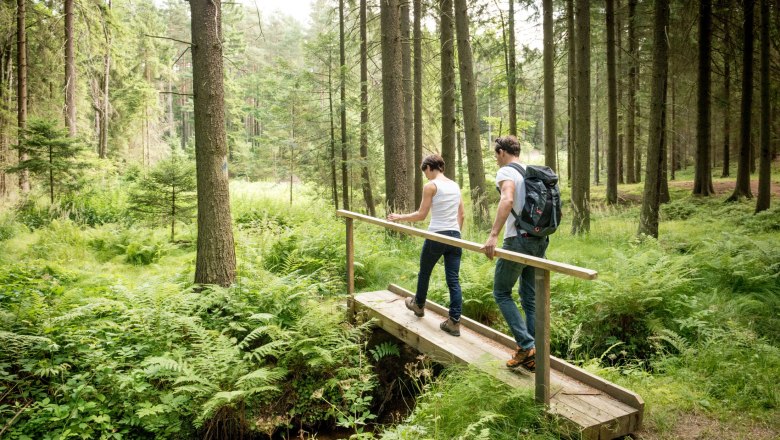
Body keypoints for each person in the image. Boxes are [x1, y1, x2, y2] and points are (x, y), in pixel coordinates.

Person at [481, 136, 549, 371]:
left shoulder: (506, 173)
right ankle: (533, 353)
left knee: (501, 292)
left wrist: (493, 235)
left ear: (501, 152)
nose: (495, 158)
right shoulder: (529, 172)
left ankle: (526, 345)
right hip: (539, 240)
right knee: (529, 298)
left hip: (517, 240)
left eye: (495, 153)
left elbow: (507, 199)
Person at [388, 154, 465, 336]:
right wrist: (455, 234)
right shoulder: (455, 186)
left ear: (430, 168)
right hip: (455, 236)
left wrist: (400, 217)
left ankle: (419, 305)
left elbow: (421, 215)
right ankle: (454, 322)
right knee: (453, 280)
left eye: (426, 172)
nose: (426, 176)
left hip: (437, 235)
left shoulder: (431, 186)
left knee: (425, 272)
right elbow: (462, 214)